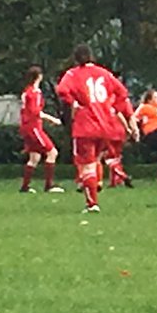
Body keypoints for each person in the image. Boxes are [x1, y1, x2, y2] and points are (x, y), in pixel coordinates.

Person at [56, 44, 138, 213]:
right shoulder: (104, 73)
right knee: (96, 161)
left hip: (85, 124)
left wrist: (74, 103)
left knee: (86, 165)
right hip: (105, 125)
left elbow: (62, 91)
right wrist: (113, 107)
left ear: (76, 58)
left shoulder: (73, 74)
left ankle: (92, 204)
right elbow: (122, 92)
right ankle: (99, 187)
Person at [19, 66, 64, 194]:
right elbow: (35, 112)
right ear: (39, 77)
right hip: (33, 127)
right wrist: (52, 119)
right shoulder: (35, 92)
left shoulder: (26, 91)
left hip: (27, 127)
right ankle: (49, 185)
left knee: (34, 157)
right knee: (52, 152)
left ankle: (25, 186)